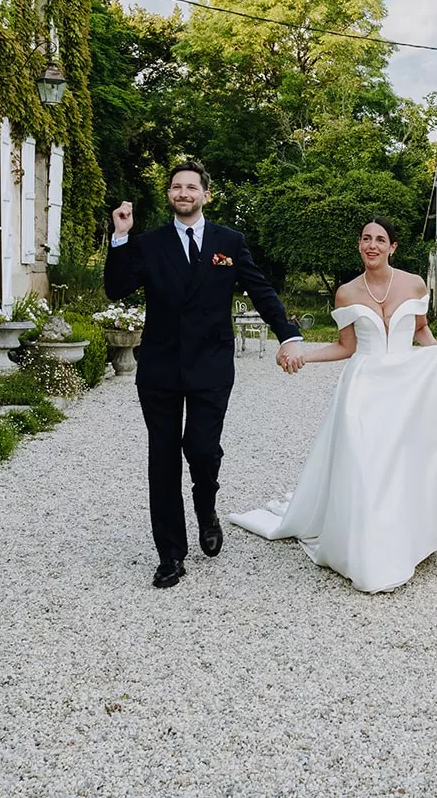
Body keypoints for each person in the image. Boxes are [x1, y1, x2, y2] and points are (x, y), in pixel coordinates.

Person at [229, 218, 437, 593]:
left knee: (404, 463)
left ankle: (408, 534)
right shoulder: (347, 293)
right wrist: (305, 356)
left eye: (380, 240)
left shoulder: (414, 283)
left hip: (406, 388)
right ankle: (368, 547)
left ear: (392, 247)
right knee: (367, 464)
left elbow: (421, 332)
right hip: (363, 388)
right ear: (359, 245)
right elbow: (346, 347)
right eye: (366, 239)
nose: (372, 245)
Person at [103, 161, 304, 589]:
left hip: (211, 364)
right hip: (159, 366)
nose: (183, 193)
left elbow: (260, 289)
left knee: (203, 449)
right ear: (169, 195)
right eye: (176, 187)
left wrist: (288, 334)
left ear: (205, 195)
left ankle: (206, 511)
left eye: (191, 187)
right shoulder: (149, 243)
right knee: (162, 458)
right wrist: (120, 236)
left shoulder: (229, 241)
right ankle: (170, 554)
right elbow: (116, 288)